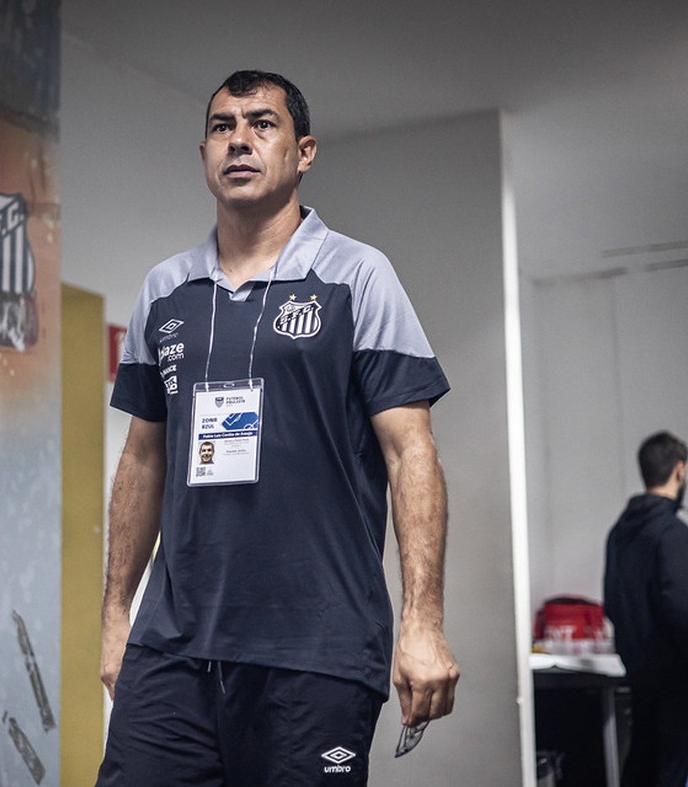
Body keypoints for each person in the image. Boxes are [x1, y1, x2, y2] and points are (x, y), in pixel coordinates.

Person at [98, 70, 459, 786]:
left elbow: (410, 449)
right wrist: (116, 614)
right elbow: (143, 460)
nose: (240, 140)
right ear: (203, 152)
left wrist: (424, 620)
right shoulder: (165, 292)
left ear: (304, 151)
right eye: (224, 126)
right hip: (173, 646)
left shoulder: (358, 276)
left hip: (316, 647)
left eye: (262, 124)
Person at [603, 431, 688, 787]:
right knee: (671, 769)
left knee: (640, 763)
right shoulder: (671, 533)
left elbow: (612, 602)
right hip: (676, 678)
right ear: (679, 471)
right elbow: (680, 608)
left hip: (637, 671)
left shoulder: (619, 532)